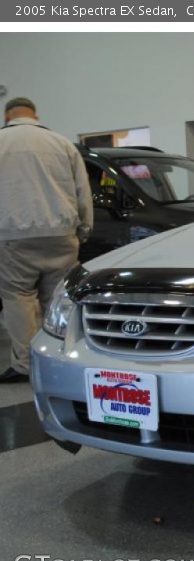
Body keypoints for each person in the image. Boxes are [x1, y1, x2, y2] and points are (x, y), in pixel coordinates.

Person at [0, 97, 92, 383]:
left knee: (18, 299)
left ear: (7, 116)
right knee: (58, 301)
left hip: (13, 236)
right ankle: (60, 359)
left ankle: (27, 364)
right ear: (35, 115)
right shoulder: (62, 143)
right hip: (61, 235)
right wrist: (84, 229)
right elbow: (82, 191)